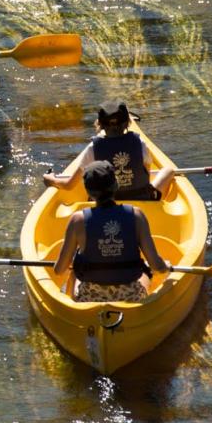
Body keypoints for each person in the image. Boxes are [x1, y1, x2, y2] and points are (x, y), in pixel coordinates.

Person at [53, 160, 170, 302]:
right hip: (130, 297)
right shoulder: (136, 215)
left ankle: (73, 304)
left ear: (88, 191)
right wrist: (166, 266)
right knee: (146, 269)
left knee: (73, 273)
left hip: (90, 298)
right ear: (116, 185)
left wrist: (73, 263)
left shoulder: (77, 220)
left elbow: (59, 270)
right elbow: (156, 265)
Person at [43, 100, 174, 201]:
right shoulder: (140, 144)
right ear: (127, 123)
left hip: (106, 203)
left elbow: (69, 185)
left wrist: (52, 179)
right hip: (142, 200)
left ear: (100, 124)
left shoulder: (92, 149)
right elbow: (146, 172)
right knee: (168, 170)